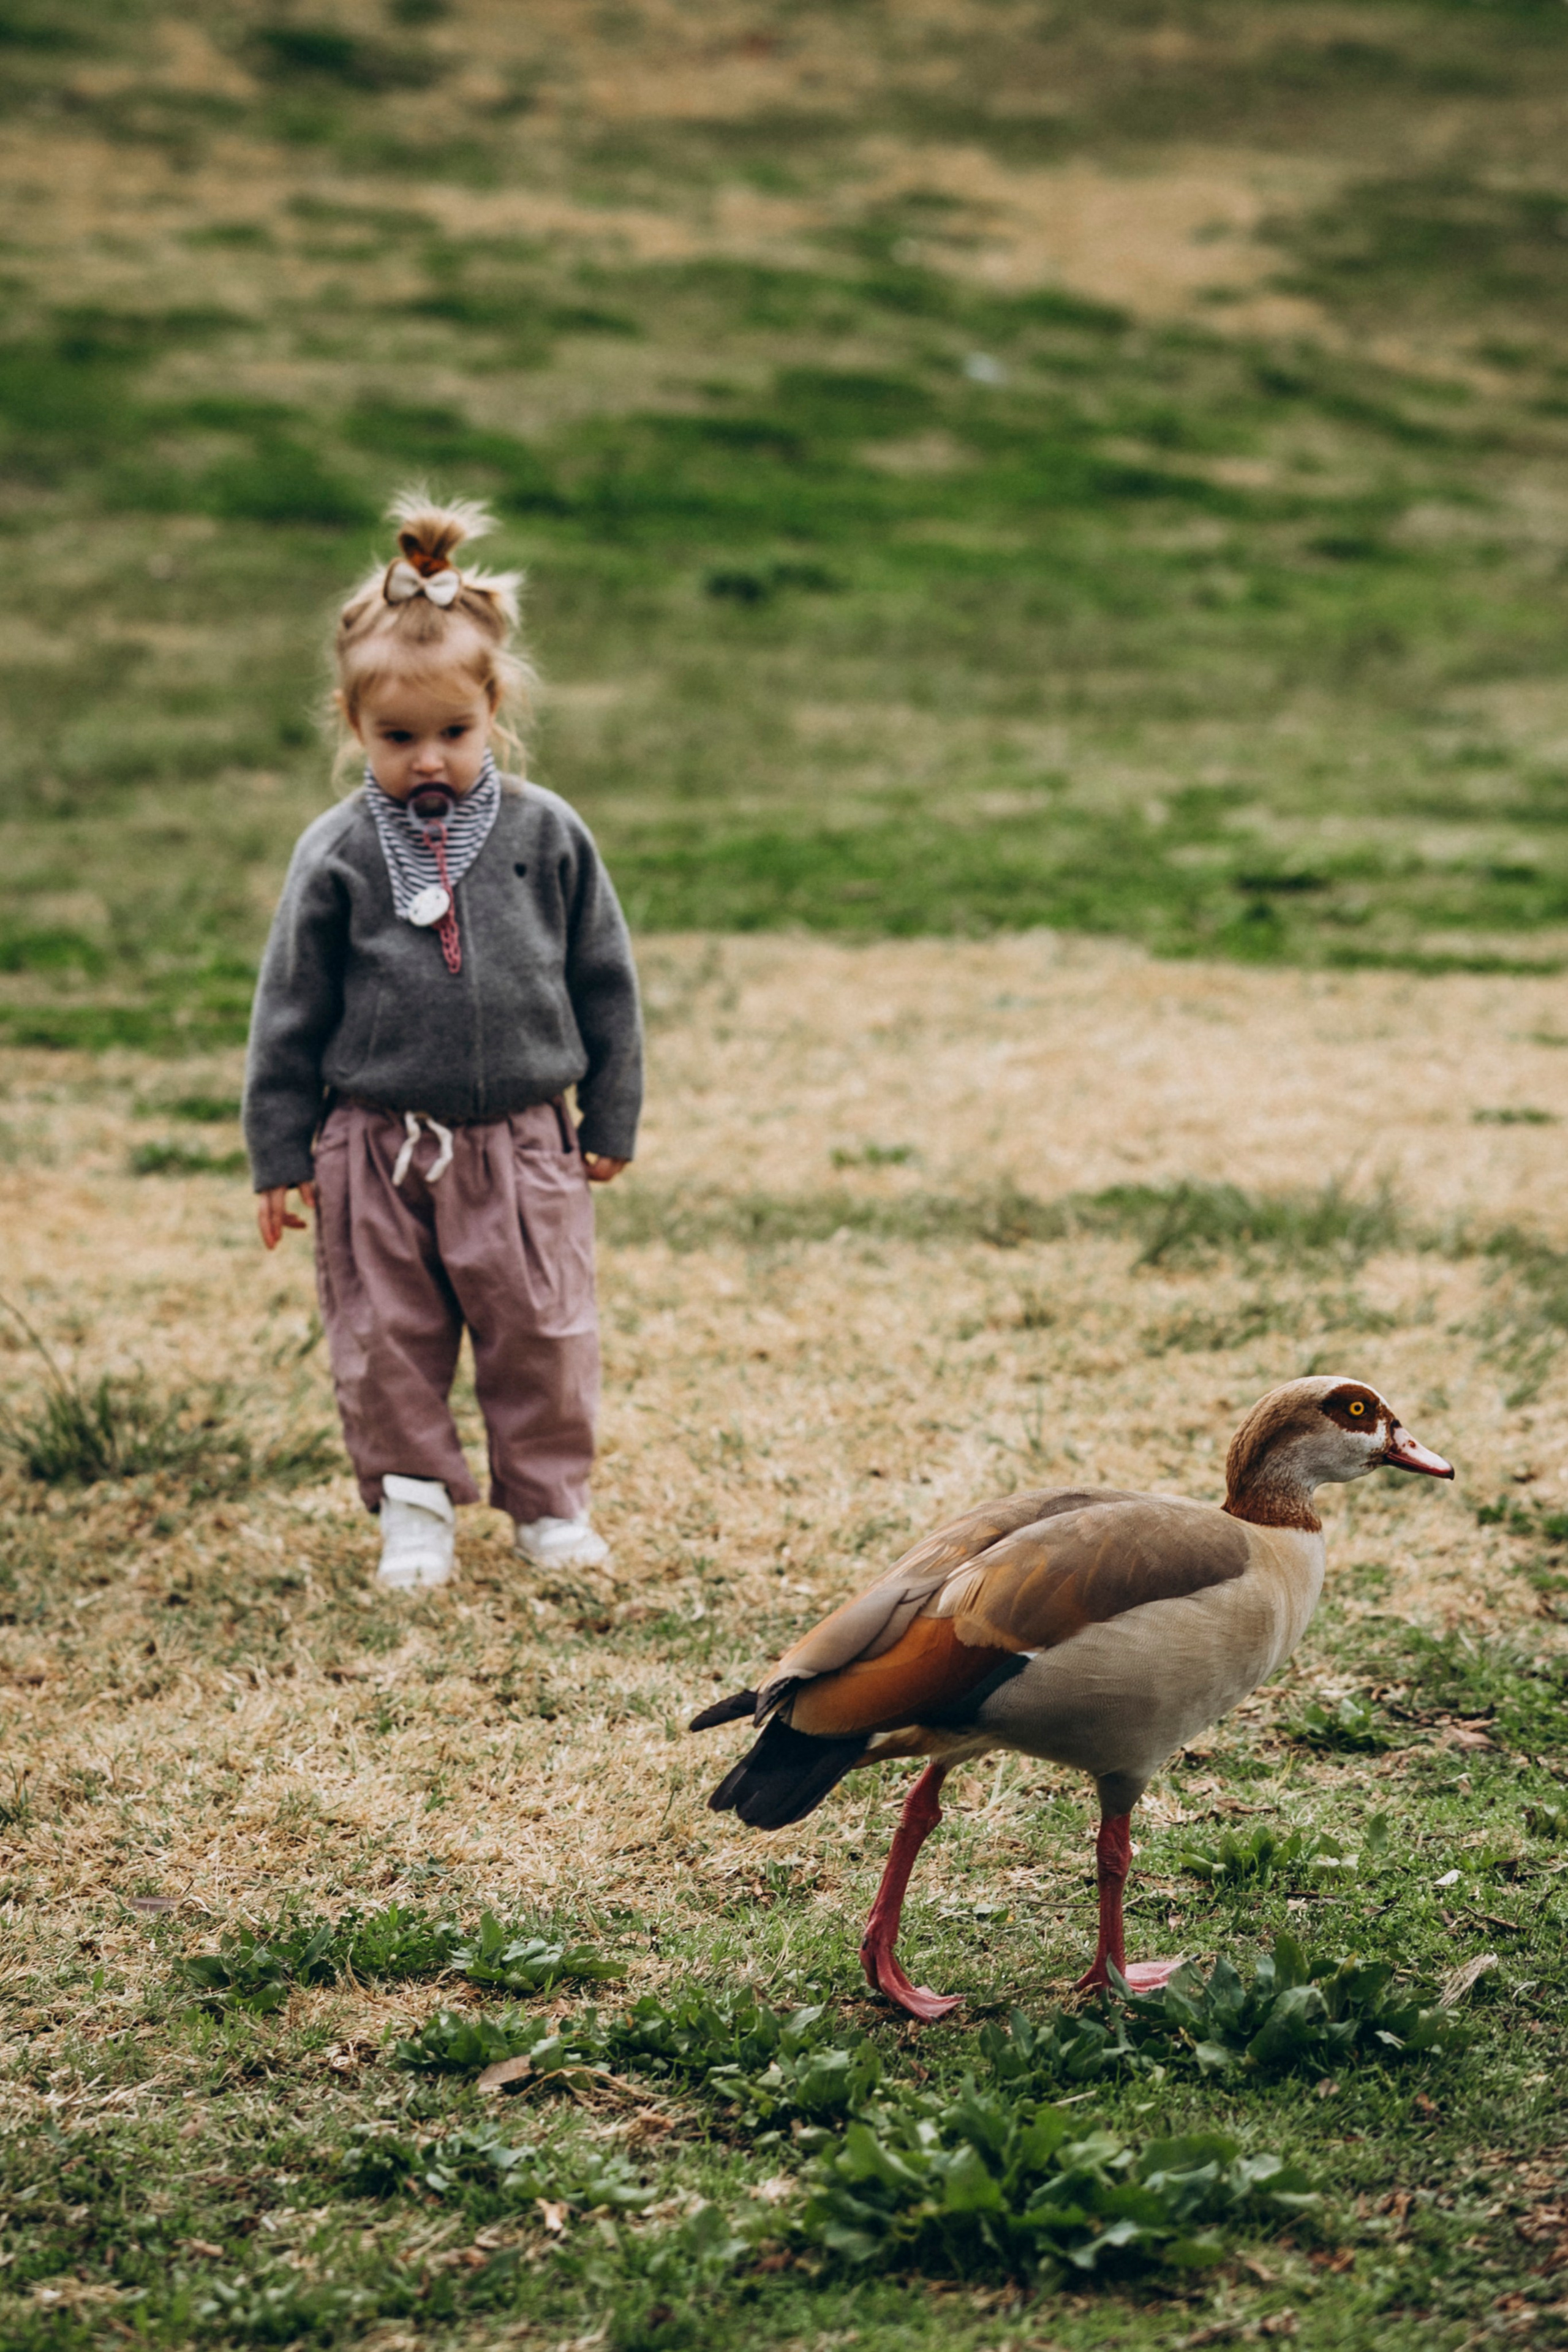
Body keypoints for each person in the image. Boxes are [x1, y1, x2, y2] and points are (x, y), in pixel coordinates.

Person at [243, 491, 642, 1593]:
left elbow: (605, 980)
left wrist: (609, 1117)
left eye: (454, 734)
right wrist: (280, 1155)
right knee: (386, 1341)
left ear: (494, 708)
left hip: (523, 1146)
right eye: (398, 738)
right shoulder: (334, 853)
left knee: (543, 1335)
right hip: (375, 1150)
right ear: (351, 723)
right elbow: (289, 1010)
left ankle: (549, 1505)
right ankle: (413, 1509)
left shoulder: (547, 834)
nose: (429, 760)